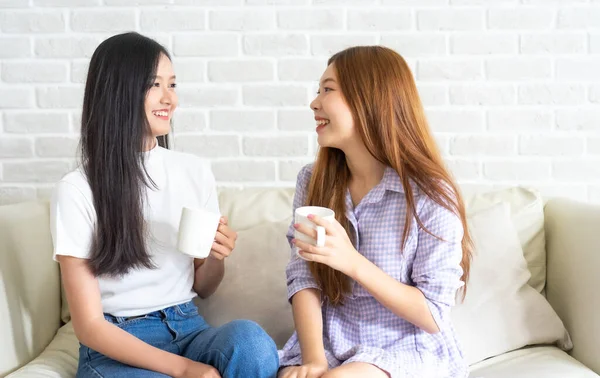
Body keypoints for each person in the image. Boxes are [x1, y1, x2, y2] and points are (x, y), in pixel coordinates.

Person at [51, 32, 279, 378]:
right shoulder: (78, 189)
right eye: (154, 85)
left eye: (172, 85)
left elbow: (204, 285)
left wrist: (216, 255)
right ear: (119, 92)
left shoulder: (193, 171)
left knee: (252, 344)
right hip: (116, 342)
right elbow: (89, 327)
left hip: (187, 326)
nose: (169, 98)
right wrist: (188, 370)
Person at [278, 46, 473, 378]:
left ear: (368, 99)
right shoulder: (313, 181)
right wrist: (313, 360)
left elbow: (433, 314)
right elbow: (304, 277)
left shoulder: (430, 195)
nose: (314, 103)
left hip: (404, 347)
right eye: (318, 91)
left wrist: (352, 262)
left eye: (328, 90)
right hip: (330, 341)